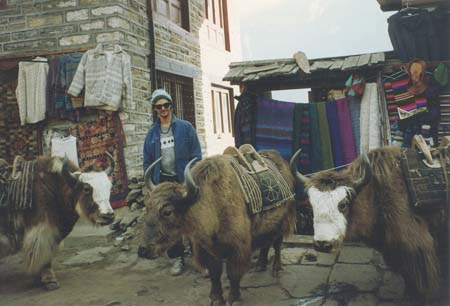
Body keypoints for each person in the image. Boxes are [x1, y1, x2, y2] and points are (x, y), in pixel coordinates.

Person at [143, 88, 202, 276]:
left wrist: (192, 178)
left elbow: (196, 155)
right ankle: (177, 258)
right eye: (159, 106)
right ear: (155, 109)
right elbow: (147, 161)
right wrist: (151, 187)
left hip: (183, 180)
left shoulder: (186, 128)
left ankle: (199, 259)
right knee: (169, 222)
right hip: (164, 182)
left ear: (171, 106)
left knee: (192, 219)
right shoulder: (152, 134)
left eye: (166, 105)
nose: (163, 109)